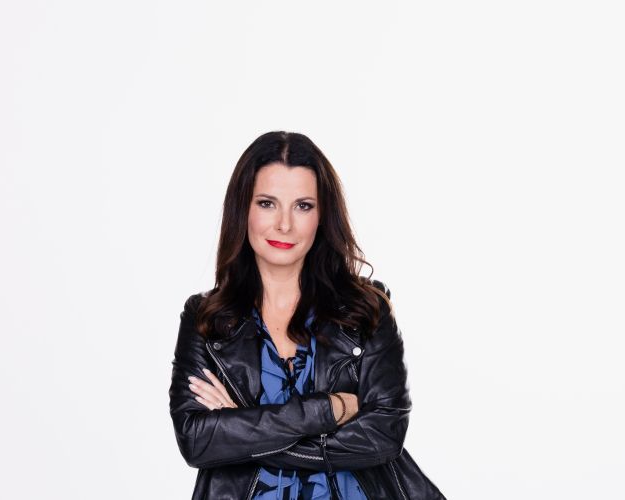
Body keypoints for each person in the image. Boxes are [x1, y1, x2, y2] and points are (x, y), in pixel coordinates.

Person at [169, 131, 446, 499]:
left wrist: (242, 431)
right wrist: (328, 410)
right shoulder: (206, 319)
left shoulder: (366, 310)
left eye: (303, 206)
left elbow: (383, 435)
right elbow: (196, 440)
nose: (284, 224)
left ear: (322, 216)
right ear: (242, 209)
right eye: (267, 203)